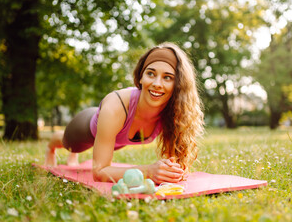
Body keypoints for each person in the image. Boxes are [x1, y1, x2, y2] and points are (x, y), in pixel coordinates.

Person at [44, 42, 204, 184]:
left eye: (167, 77)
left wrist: (170, 171)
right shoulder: (115, 107)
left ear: (178, 85)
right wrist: (148, 172)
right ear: (140, 77)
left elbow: (173, 163)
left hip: (116, 140)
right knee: (71, 145)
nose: (157, 84)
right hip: (85, 128)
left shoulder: (175, 112)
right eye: (151, 74)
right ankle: (52, 145)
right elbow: (99, 172)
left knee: (107, 146)